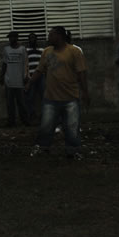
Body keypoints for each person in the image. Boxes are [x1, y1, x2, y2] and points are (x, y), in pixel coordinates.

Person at [26, 26, 89, 159]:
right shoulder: (47, 52)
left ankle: (73, 151)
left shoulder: (74, 51)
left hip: (70, 97)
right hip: (51, 97)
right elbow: (39, 70)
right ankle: (43, 148)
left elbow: (81, 73)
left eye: (51, 35)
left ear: (59, 36)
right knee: (46, 126)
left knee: (72, 127)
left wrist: (85, 93)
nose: (49, 38)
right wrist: (30, 83)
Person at [0, 31, 29, 127]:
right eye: (9, 37)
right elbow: (4, 64)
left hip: (19, 80)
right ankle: (11, 122)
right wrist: (2, 76)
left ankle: (25, 121)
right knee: (10, 103)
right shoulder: (6, 49)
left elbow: (25, 64)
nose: (11, 39)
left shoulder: (22, 49)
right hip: (9, 80)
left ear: (17, 38)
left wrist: (25, 76)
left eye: (12, 37)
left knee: (22, 103)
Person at [24, 33, 44, 122]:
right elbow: (25, 64)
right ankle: (32, 115)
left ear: (36, 39)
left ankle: (44, 115)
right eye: (30, 38)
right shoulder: (26, 50)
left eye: (33, 38)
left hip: (41, 76)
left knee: (43, 96)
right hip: (30, 77)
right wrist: (26, 75)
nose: (32, 40)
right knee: (30, 97)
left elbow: (44, 64)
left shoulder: (42, 50)